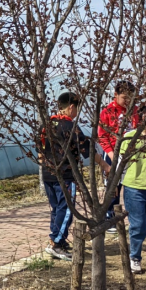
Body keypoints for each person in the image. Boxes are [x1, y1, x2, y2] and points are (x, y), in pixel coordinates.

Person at [39, 92, 90, 261]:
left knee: (57, 208)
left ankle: (55, 239)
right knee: (67, 209)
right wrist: (104, 164)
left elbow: (40, 151)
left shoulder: (46, 125)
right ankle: (56, 243)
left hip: (48, 174)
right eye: (77, 109)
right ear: (71, 107)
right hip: (66, 175)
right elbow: (86, 150)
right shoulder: (70, 127)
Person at [119, 110, 146, 276]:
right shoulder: (130, 137)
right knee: (138, 226)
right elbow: (120, 163)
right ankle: (135, 257)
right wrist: (115, 184)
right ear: (143, 118)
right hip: (134, 188)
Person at [98, 82, 140, 229]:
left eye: (130, 97)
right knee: (113, 187)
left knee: (133, 186)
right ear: (115, 95)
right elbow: (102, 136)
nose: (127, 101)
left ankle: (136, 218)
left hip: (133, 153)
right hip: (113, 153)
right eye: (124, 97)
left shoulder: (135, 110)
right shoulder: (107, 112)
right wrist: (111, 155)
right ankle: (109, 219)